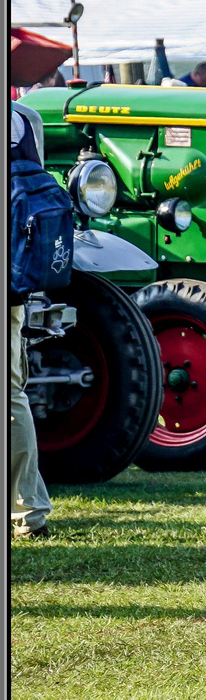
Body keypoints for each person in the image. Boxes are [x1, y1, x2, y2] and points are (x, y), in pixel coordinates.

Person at [10, 100, 51, 539]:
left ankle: (28, 509)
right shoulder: (23, 118)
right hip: (15, 277)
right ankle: (28, 508)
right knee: (11, 393)